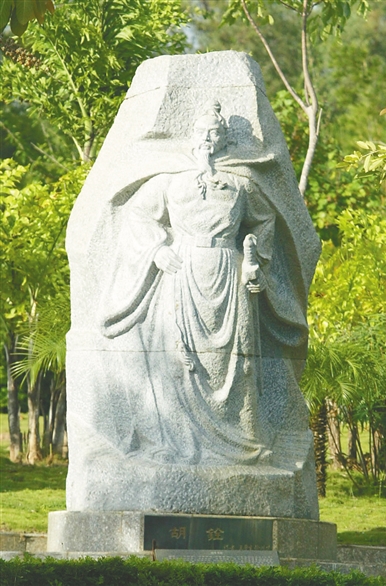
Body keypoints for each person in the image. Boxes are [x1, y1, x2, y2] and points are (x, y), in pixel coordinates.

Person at [99, 102, 306, 466]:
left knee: (237, 364)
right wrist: (156, 249)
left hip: (228, 274)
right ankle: (177, 442)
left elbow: (264, 221)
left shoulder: (240, 185)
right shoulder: (170, 182)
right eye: (202, 132)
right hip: (181, 272)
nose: (208, 138)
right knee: (177, 360)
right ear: (192, 138)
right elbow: (138, 215)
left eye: (215, 133)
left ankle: (244, 442)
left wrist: (255, 260)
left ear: (224, 141)